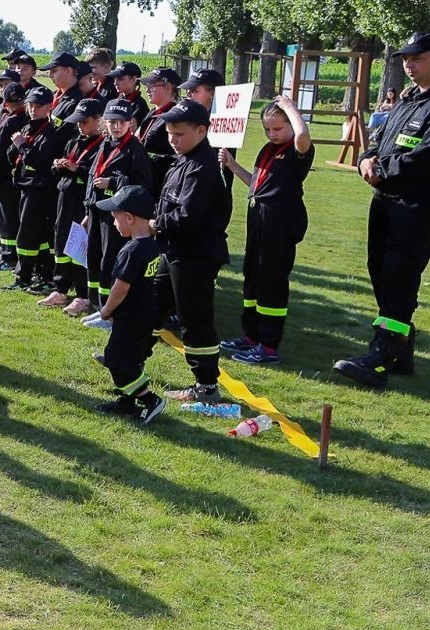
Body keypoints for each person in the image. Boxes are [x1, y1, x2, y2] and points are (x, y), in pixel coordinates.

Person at [334, 32, 430, 388]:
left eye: (418, 58)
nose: (409, 65)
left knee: (399, 275)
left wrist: (383, 170)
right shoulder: (409, 98)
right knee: (379, 270)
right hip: (385, 198)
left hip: (418, 203)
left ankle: (381, 356)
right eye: (406, 59)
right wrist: (367, 158)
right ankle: (401, 347)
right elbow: (380, 140)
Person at [219, 95, 313, 365]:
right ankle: (251, 335)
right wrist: (232, 165)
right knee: (253, 275)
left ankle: (269, 346)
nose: (272, 134)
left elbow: (303, 137)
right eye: (268, 129)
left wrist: (290, 108)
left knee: (271, 280)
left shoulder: (297, 150)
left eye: (278, 128)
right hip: (259, 215)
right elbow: (255, 185)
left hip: (281, 218)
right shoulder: (267, 150)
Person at [149, 99, 231, 403]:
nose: (173, 140)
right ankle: (128, 358)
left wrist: (155, 224)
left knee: (194, 320)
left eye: (179, 134)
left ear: (201, 131)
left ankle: (206, 385)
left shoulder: (201, 166)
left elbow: (187, 217)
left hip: (194, 255)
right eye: (170, 133)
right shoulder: (183, 159)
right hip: (174, 251)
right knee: (152, 306)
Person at [88, 185, 168, 424]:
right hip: (145, 314)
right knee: (129, 359)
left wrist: (106, 310)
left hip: (130, 316)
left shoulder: (132, 251)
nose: (114, 224)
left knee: (115, 358)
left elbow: (120, 288)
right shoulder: (153, 245)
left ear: (130, 218)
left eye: (115, 218)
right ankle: (125, 404)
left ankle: (150, 399)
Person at [73, 98, 151, 324]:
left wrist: (113, 182)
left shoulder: (135, 149)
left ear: (130, 123)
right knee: (94, 256)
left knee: (110, 260)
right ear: (105, 123)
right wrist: (89, 207)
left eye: (122, 122)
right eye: (112, 122)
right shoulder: (105, 144)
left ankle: (110, 312)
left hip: (116, 214)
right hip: (97, 210)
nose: (116, 127)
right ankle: (97, 304)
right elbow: (92, 177)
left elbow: (141, 183)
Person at [42, 98, 105, 309]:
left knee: (80, 243)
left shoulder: (102, 145)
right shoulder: (74, 140)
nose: (80, 125)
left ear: (98, 120)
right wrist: (58, 166)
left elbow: (94, 174)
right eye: (77, 121)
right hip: (64, 196)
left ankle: (82, 294)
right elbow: (57, 170)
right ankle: (60, 289)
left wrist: (75, 168)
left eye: (84, 121)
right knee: (61, 240)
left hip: (82, 200)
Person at [3, 86, 59, 293]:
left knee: (27, 234)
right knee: (36, 234)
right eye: (31, 105)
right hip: (24, 186)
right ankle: (41, 273)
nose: (34, 110)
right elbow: (11, 155)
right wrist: (18, 146)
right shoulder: (28, 128)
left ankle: (23, 276)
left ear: (49, 107)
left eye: (39, 106)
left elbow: (38, 163)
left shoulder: (51, 133)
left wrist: (23, 147)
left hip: (39, 190)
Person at [0, 82, 29, 272]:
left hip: (5, 177)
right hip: (20, 176)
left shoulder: (9, 122)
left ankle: (7, 255)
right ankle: (10, 253)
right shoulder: (28, 118)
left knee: (6, 218)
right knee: (14, 216)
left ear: (6, 103)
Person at [137, 67, 182, 198]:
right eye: (147, 85)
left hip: (161, 183)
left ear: (168, 87)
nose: (147, 89)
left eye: (152, 85)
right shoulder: (152, 113)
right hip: (145, 179)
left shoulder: (175, 115)